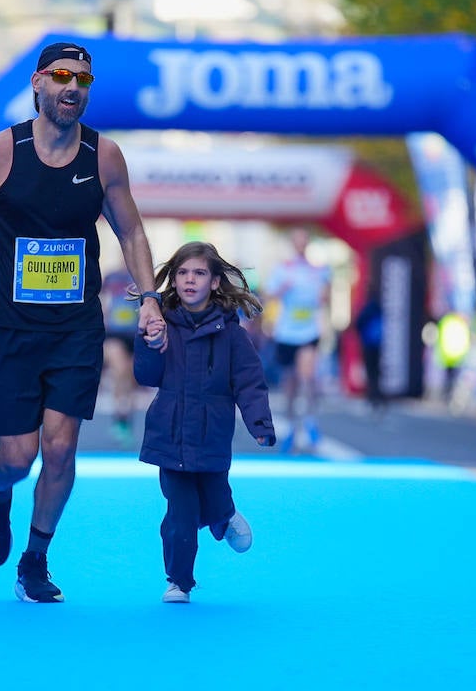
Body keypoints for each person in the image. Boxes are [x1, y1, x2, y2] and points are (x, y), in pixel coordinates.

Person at [0, 40, 164, 603]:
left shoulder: (104, 157)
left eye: (83, 80)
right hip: (9, 327)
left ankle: (35, 558)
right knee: (18, 456)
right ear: (37, 83)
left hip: (75, 328)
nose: (72, 88)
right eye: (61, 76)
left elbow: (130, 231)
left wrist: (150, 298)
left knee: (60, 450)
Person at [135, 242, 275, 603]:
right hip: (169, 436)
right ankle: (179, 580)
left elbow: (249, 381)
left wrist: (260, 424)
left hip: (212, 437)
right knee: (180, 511)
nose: (189, 280)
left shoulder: (232, 335)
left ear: (214, 282)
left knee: (211, 498)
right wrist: (151, 344)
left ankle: (223, 513)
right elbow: (146, 376)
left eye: (198, 273)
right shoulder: (159, 323)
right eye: (182, 273)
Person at [264, 226, 331, 453]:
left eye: (304, 240)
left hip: (309, 332)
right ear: (293, 243)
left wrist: (324, 298)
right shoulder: (283, 269)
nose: (301, 244)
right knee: (291, 384)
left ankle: (311, 420)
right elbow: (269, 295)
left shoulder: (319, 270)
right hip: (287, 333)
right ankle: (292, 425)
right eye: (297, 240)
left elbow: (325, 297)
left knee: (308, 377)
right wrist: (283, 289)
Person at [100, 265, 140, 446]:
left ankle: (125, 417)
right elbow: (102, 299)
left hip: (135, 334)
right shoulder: (111, 277)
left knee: (130, 378)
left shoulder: (141, 279)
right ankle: (118, 413)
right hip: (115, 334)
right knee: (120, 369)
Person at [353, 284, 387, 416]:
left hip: (368, 345)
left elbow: (358, 323)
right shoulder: (379, 309)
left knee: (370, 372)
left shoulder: (366, 309)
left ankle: (372, 397)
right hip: (378, 345)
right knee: (377, 373)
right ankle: (378, 397)